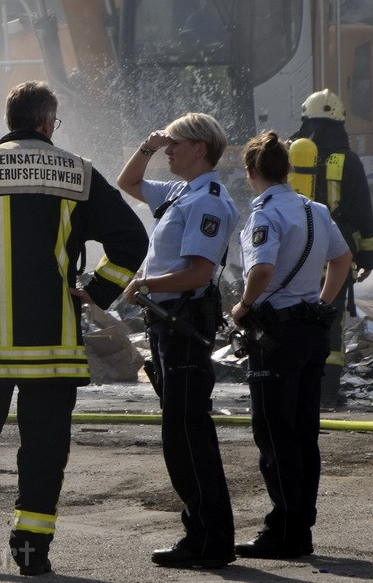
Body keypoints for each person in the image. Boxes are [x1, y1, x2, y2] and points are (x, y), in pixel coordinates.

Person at [0, 81, 148, 576]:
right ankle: (32, 554)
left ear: (12, 121)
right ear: (47, 124)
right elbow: (132, 240)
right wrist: (97, 291)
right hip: (55, 343)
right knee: (45, 446)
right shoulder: (78, 171)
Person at [116, 113, 238, 569]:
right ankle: (206, 535)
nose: (169, 150)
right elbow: (128, 182)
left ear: (200, 148)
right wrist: (147, 146)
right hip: (169, 323)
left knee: (187, 435)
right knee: (182, 432)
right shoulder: (182, 193)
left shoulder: (206, 200)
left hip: (184, 322)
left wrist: (144, 284)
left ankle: (207, 539)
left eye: (176, 143)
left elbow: (199, 272)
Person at [231, 132, 352, 558]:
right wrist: (322, 302)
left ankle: (283, 528)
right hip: (311, 331)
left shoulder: (263, 216)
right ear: (286, 170)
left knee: (273, 433)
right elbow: (342, 259)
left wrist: (242, 306)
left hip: (276, 334)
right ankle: (300, 527)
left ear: (251, 174)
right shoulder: (315, 209)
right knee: (304, 433)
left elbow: (261, 269)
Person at [290, 89, 373, 407]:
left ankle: (289, 381)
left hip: (292, 253)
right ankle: (326, 390)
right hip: (333, 255)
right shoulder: (348, 160)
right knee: (330, 317)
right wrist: (367, 256)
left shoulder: (287, 154)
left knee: (288, 313)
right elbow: (362, 211)